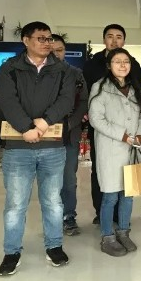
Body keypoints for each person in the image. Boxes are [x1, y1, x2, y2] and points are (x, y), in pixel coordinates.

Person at [0, 21, 76, 276]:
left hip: (52, 147)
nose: (46, 43)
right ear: (26, 40)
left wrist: (43, 123)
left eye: (49, 38)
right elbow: (7, 101)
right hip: (18, 147)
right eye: (41, 38)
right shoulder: (10, 68)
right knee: (15, 204)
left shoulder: (63, 70)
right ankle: (11, 252)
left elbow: (67, 100)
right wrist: (26, 128)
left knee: (53, 201)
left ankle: (54, 246)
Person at [89, 48, 141, 257]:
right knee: (110, 196)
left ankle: (123, 232)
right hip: (111, 150)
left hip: (132, 150)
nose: (122, 65)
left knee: (128, 195)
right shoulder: (100, 88)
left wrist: (140, 135)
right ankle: (107, 237)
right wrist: (123, 135)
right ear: (109, 65)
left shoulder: (135, 87)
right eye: (117, 61)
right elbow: (96, 119)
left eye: (126, 61)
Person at [83, 24, 141, 224]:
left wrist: (140, 133)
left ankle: (123, 221)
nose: (115, 40)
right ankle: (103, 218)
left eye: (119, 37)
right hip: (106, 137)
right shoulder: (93, 68)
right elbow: (93, 110)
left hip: (132, 139)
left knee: (128, 184)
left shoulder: (134, 69)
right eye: (110, 36)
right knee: (104, 179)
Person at [51, 34, 88, 236]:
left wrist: (70, 124)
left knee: (68, 180)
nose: (56, 54)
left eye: (60, 50)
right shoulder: (38, 74)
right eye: (52, 50)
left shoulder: (75, 74)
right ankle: (52, 218)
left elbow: (83, 102)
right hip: (43, 136)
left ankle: (68, 216)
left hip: (69, 135)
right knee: (49, 180)